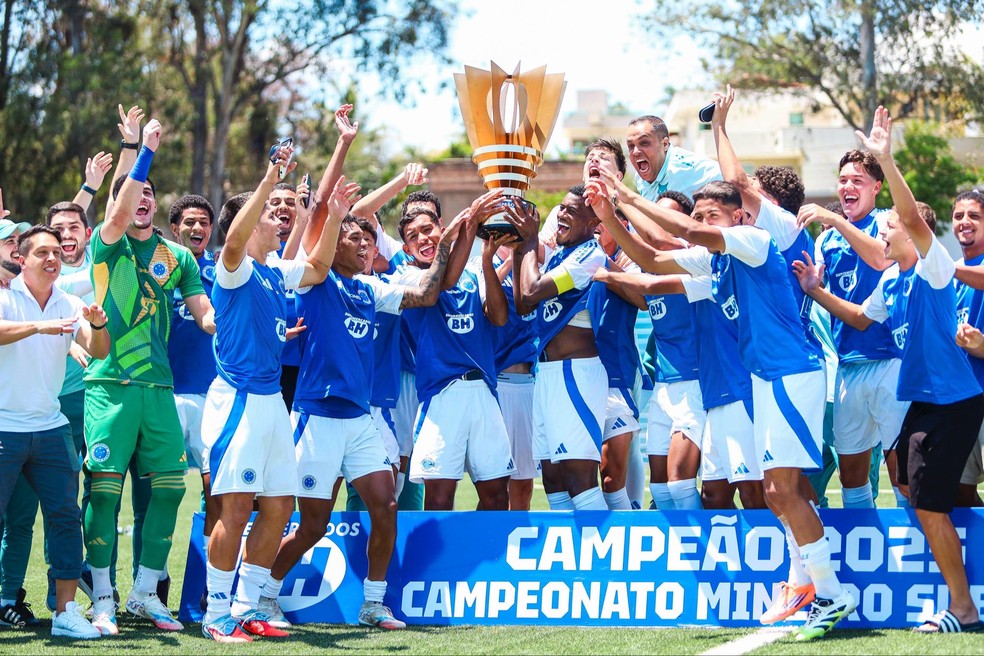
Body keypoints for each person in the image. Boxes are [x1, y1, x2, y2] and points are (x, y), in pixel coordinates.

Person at [586, 173, 855, 640]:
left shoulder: (753, 239)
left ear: (739, 217)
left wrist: (628, 195)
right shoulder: (716, 267)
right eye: (699, 214)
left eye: (713, 215)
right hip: (767, 379)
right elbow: (650, 260)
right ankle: (805, 583)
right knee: (775, 492)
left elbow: (688, 234)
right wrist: (610, 213)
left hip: (792, 373)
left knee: (784, 489)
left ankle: (830, 592)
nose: (702, 223)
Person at [795, 107, 984, 633]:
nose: (882, 228)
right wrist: (817, 291)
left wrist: (885, 159)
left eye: (889, 223)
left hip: (954, 401)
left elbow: (913, 217)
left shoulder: (933, 266)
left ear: (908, 231)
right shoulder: (892, 282)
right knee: (913, 488)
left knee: (930, 503)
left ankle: (964, 607)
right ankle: (958, 597)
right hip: (928, 401)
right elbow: (857, 317)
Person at [262, 208, 457, 631]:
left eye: (369, 239)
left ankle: (373, 603)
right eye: (354, 238)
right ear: (334, 246)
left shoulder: (372, 289)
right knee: (313, 524)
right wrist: (329, 207)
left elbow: (425, 294)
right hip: (316, 418)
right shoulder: (318, 282)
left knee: (386, 506)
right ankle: (264, 593)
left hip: (360, 419)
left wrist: (444, 247)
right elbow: (316, 227)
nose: (365, 244)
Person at [199, 147, 356, 642]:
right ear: (249, 223)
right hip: (238, 401)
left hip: (272, 404)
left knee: (278, 507)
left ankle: (247, 608)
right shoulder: (236, 268)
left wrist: (333, 216)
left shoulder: (273, 272)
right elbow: (233, 240)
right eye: (270, 213)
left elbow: (317, 267)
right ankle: (215, 613)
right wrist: (270, 178)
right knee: (235, 507)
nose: (280, 218)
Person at [83, 118, 214, 635]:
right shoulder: (106, 241)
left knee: (168, 491)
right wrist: (142, 153)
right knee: (105, 491)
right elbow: (116, 212)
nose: (142, 198)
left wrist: (213, 325)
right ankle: (102, 598)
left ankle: (143, 593)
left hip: (160, 388)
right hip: (109, 385)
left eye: (149, 194)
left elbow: (200, 306)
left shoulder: (177, 256)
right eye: (134, 192)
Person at [0, 225, 109, 639]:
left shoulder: (68, 301)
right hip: (4, 427)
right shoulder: (6, 295)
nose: (51, 259)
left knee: (65, 518)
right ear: (22, 259)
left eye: (56, 254)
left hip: (50, 427)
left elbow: (98, 351)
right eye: (41, 252)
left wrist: (97, 326)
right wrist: (40, 328)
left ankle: (65, 612)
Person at [797, 145, 907, 508]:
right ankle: (865, 557)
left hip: (890, 362)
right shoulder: (825, 240)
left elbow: (879, 259)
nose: (848, 187)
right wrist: (814, 288)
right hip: (847, 366)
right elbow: (825, 297)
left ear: (876, 187)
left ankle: (919, 554)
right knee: (851, 479)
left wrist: (837, 221)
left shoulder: (886, 223)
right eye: (843, 180)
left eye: (857, 180)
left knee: (904, 477)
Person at [396, 197, 516, 511]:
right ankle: (438, 562)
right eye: (413, 236)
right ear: (407, 249)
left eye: (428, 229)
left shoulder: (473, 272)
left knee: (497, 496)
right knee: (438, 498)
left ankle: (485, 560)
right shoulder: (407, 278)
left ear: (441, 229)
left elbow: (499, 318)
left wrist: (488, 262)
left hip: (483, 392)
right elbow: (443, 282)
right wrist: (470, 225)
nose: (422, 238)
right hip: (441, 396)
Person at [506, 186, 610, 511]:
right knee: (553, 480)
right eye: (561, 209)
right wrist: (522, 245)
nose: (562, 215)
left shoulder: (589, 255)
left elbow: (533, 289)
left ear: (594, 223)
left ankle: (601, 560)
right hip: (547, 375)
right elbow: (523, 304)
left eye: (572, 211)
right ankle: (571, 561)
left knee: (579, 480)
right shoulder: (561, 256)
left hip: (575, 375)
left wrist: (530, 240)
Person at [166, 194, 220, 548]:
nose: (196, 228)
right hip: (163, 394)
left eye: (203, 222)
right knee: (160, 492)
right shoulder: (158, 269)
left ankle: (204, 581)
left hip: (210, 394)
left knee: (213, 489)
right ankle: (154, 582)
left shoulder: (223, 271)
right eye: (188, 222)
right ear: (175, 229)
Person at [951, 189, 984, 505]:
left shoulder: (951, 270)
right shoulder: (952, 277)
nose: (965, 222)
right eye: (959, 215)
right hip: (962, 400)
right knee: (960, 493)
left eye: (974, 215)